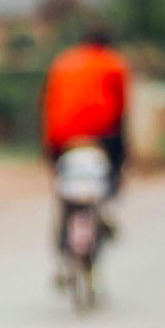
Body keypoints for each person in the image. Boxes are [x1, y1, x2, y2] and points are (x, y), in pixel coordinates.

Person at [40, 23, 129, 261]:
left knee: (61, 181)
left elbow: (47, 104)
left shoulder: (63, 62)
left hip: (61, 138)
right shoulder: (113, 63)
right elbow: (121, 110)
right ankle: (107, 203)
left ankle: (63, 230)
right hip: (100, 137)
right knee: (114, 169)